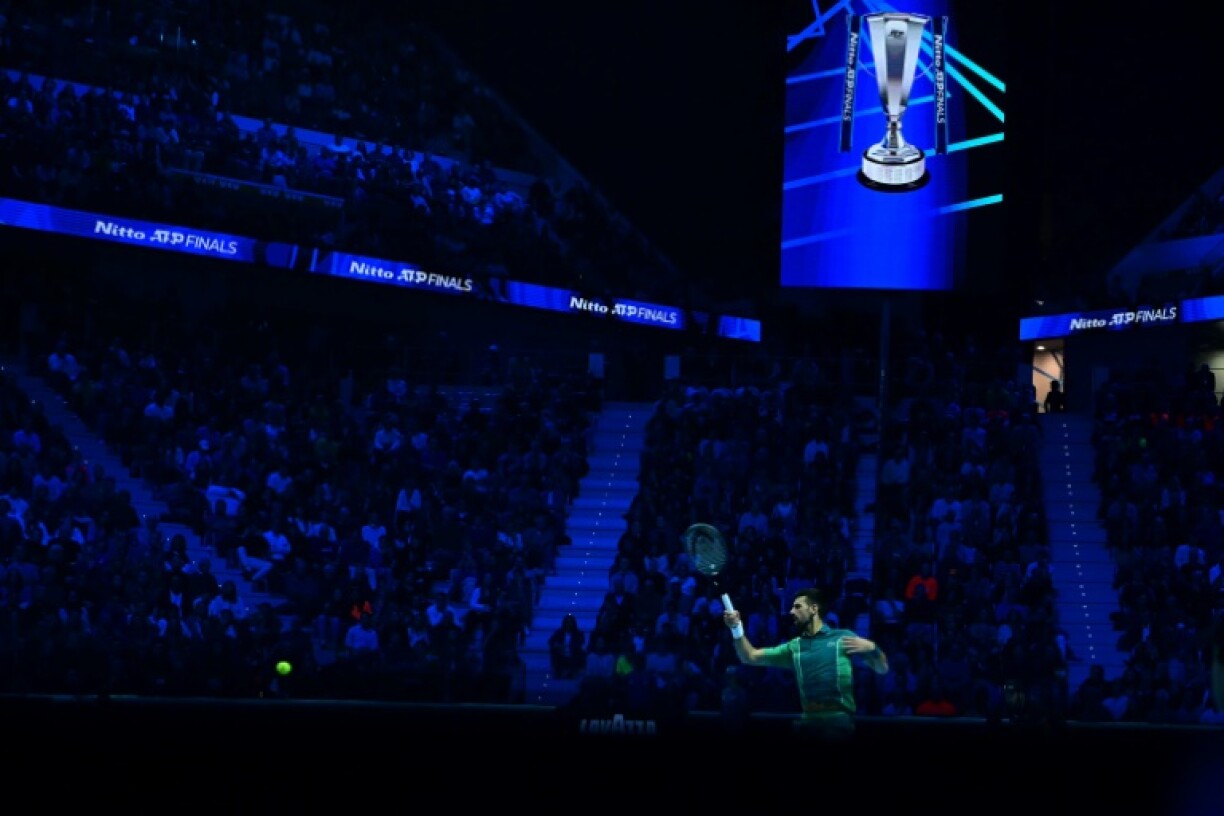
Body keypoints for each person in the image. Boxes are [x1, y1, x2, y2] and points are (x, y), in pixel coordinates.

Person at [723, 587, 888, 742]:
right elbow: (749, 656)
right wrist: (736, 628)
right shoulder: (794, 646)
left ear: (813, 609)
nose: (791, 612)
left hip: (838, 725)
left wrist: (873, 648)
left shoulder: (843, 638)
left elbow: (882, 669)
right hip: (809, 725)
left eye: (797, 607)